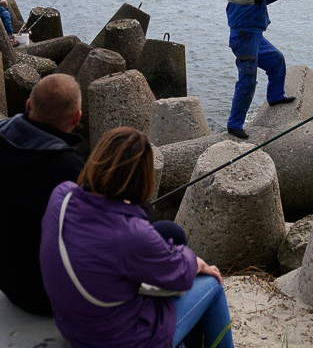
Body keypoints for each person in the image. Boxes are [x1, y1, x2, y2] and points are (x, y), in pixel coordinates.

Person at [40, 127, 234, 348]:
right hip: (118, 340)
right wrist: (196, 262)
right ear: (141, 179)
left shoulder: (62, 195)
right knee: (212, 284)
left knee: (170, 233)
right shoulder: (130, 233)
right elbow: (181, 275)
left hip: (74, 325)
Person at [0, 74, 85, 316]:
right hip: (47, 295)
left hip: (8, 279)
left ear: (28, 105)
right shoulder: (67, 167)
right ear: (77, 118)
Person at [225, 0, 296, 139]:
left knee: (276, 60)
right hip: (245, 38)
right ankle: (234, 124)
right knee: (247, 80)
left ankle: (275, 96)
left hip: (252, 36)